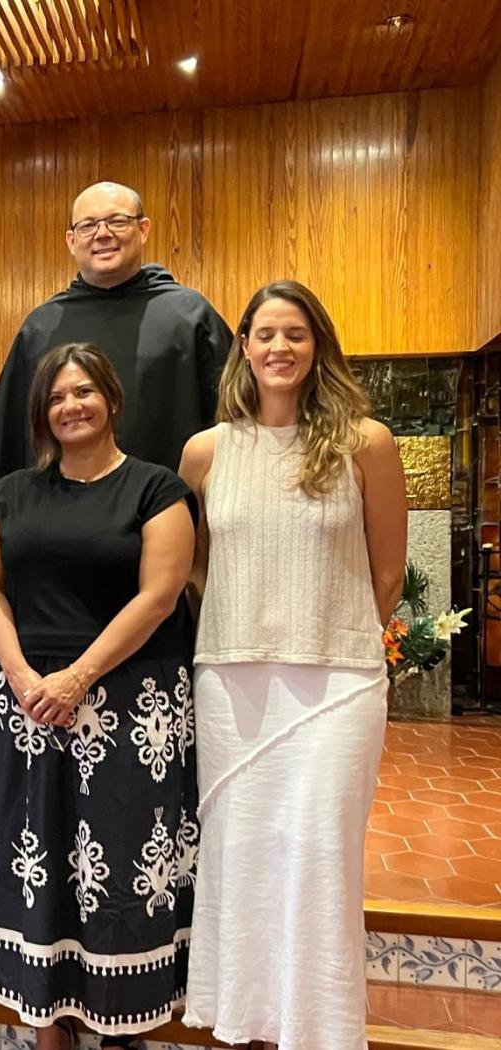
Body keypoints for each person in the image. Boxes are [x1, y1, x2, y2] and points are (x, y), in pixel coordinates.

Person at [179, 281, 406, 1050]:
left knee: (318, 853)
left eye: (296, 335)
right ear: (243, 346)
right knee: (243, 855)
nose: (279, 348)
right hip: (233, 680)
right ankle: (246, 1021)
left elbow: (386, 574)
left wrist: (335, 636)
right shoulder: (207, 451)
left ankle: (322, 1029)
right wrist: (247, 617)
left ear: (318, 348)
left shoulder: (365, 443)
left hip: (335, 681)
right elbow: (194, 565)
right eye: (265, 334)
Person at [0, 343, 198, 1048]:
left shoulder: (156, 488)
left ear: (112, 400)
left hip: (129, 703)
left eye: (84, 392)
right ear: (43, 411)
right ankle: (49, 1024)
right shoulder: (11, 493)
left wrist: (78, 676)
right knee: (38, 866)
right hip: (28, 702)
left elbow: (160, 596)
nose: (71, 406)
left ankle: (120, 1023)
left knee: (121, 868)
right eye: (58, 396)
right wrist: (18, 673)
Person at [0, 181, 232, 477]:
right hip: (60, 509)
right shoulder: (40, 328)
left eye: (117, 221)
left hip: (165, 509)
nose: (103, 234)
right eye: (88, 225)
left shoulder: (190, 318)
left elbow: (233, 425)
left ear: (144, 229)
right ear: (71, 240)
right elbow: (8, 452)